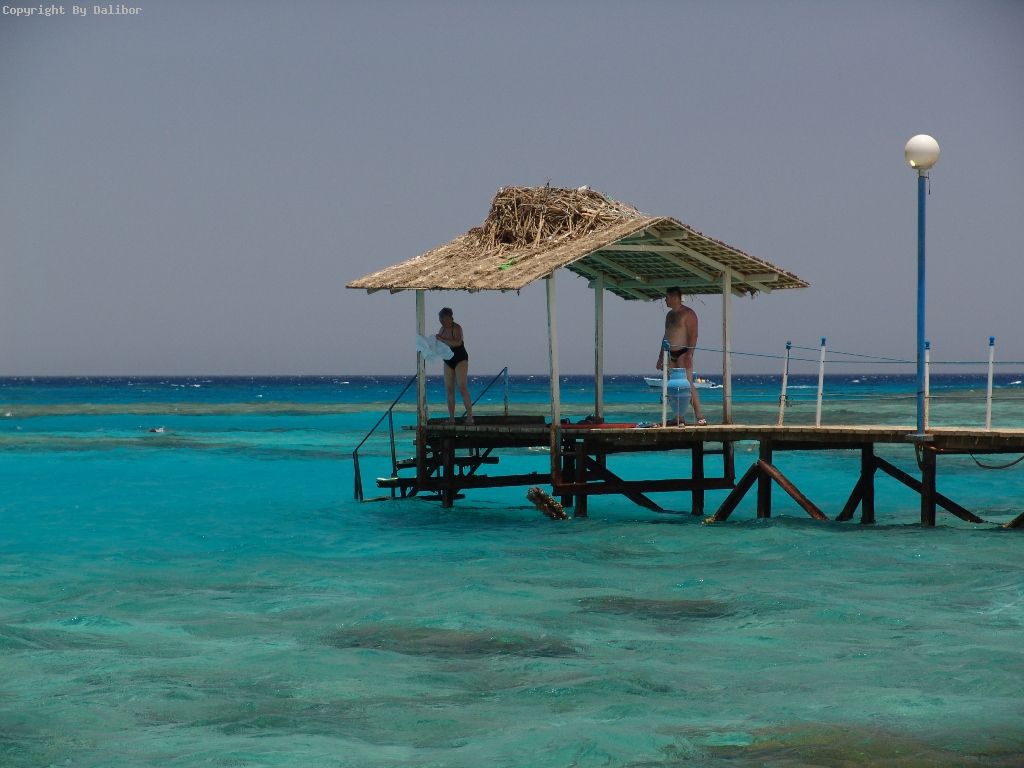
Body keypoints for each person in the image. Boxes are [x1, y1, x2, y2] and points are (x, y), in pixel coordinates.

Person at [655, 287, 707, 426]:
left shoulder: (688, 313)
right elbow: (666, 335)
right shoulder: (669, 315)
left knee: (688, 384)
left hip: (683, 353)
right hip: (669, 353)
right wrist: (660, 356)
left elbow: (693, 335)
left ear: (674, 298)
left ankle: (699, 416)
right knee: (673, 387)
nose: (665, 300)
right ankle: (679, 417)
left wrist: (689, 354)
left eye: (667, 297)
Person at [435, 307, 474, 424]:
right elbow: (440, 345)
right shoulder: (442, 329)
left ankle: (470, 417)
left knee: (462, 386)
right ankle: (451, 418)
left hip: (460, 358)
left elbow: (457, 343)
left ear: (450, 318)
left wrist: (442, 340)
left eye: (444, 320)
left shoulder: (457, 328)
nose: (443, 322)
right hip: (448, 360)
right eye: (441, 320)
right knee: (449, 389)